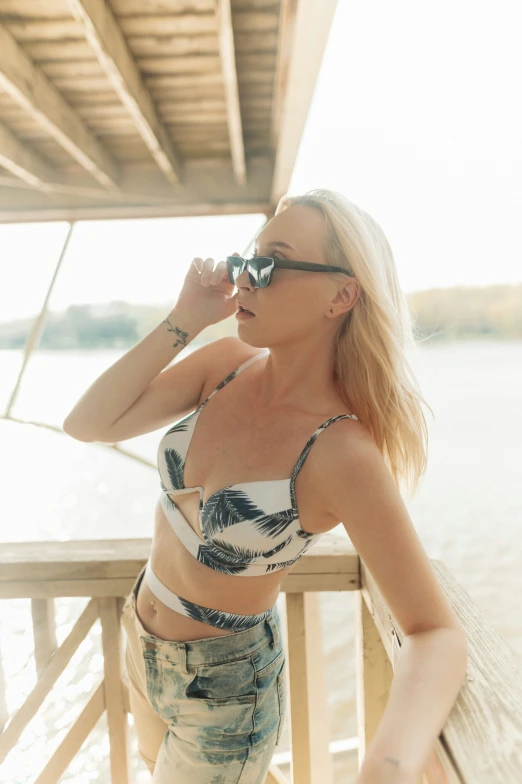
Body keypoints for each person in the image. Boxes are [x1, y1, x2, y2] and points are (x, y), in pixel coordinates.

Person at [63, 189, 466, 784]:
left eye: (271, 263)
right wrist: (186, 318)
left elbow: (434, 632)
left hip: (225, 696)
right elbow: (87, 423)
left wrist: (388, 766)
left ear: (341, 295)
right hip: (140, 645)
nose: (246, 281)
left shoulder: (341, 452)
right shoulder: (224, 365)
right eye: (247, 261)